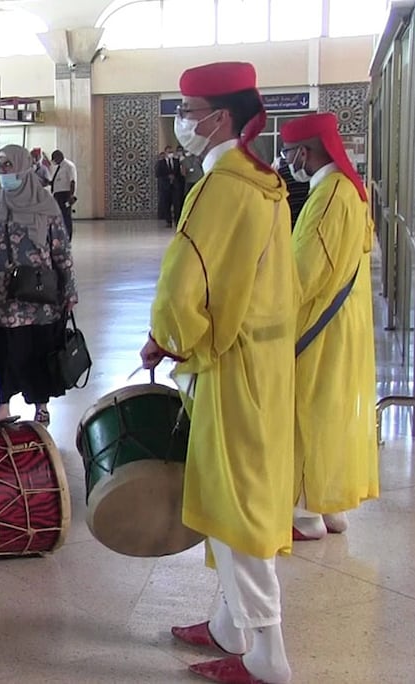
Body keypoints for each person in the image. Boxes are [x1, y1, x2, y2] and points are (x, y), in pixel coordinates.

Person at [140, 62, 296, 684]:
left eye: (188, 109)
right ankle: (231, 625)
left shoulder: (219, 188)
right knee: (234, 495)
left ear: (220, 117)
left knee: (238, 505)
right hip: (262, 361)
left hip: (230, 368)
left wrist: (166, 341)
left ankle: (268, 657)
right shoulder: (265, 183)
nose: (182, 123)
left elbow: (184, 284)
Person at [279, 112, 379, 541]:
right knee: (333, 412)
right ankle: (332, 506)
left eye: (288, 153)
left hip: (319, 326)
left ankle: (305, 516)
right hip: (346, 323)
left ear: (304, 151)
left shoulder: (327, 196)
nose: (288, 162)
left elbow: (303, 272)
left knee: (305, 413)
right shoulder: (350, 190)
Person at [0, 145, 77, 427]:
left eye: (9, 165)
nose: (3, 171)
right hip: (2, 293)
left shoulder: (45, 203)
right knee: (3, 351)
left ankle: (40, 406)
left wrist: (69, 289)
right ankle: (4, 405)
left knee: (37, 350)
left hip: (37, 296)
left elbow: (61, 249)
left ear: (22, 166)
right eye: (0, 166)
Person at [50, 150, 78, 239]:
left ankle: (68, 237)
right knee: (60, 216)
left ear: (59, 156)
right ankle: (62, 236)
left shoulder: (69, 166)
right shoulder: (60, 167)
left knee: (66, 217)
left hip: (65, 195)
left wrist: (71, 196)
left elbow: (72, 181)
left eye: (54, 159)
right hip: (58, 196)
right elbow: (58, 182)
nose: (54, 161)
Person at [156, 146, 179, 227]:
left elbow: (179, 173)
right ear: (165, 153)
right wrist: (167, 177)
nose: (170, 154)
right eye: (169, 152)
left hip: (175, 187)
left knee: (176, 204)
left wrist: (174, 177)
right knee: (166, 204)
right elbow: (158, 174)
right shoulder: (161, 163)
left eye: (171, 152)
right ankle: (168, 221)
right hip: (165, 187)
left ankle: (177, 221)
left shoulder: (176, 161)